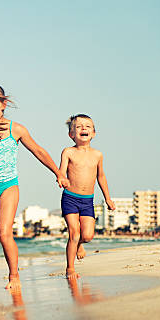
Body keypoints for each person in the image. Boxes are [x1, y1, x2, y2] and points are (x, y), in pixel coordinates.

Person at [0, 84, 69, 290]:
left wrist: (58, 172)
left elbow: (38, 150)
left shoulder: (16, 129)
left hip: (9, 185)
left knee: (4, 232)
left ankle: (14, 275)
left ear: (4, 104)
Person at [60, 114, 115, 279]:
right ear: (71, 134)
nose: (83, 128)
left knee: (88, 236)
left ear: (94, 133)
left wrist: (108, 198)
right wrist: (61, 177)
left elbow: (101, 177)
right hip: (70, 198)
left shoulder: (98, 155)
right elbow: (62, 170)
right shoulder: (68, 152)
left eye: (87, 126)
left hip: (87, 200)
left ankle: (78, 245)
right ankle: (70, 268)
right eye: (78, 127)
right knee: (74, 233)